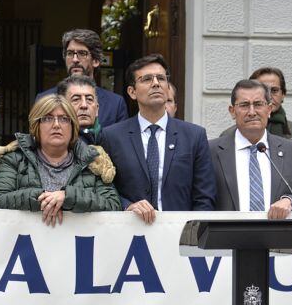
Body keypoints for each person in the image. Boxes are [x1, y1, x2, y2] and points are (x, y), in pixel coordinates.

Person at [100, 54, 216, 223]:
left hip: (180, 237)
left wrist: (191, 236)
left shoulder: (194, 136)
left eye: (161, 78)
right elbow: (104, 189)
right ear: (132, 92)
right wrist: (127, 206)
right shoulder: (112, 136)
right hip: (129, 233)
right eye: (147, 79)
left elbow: (204, 196)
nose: (156, 83)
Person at [0, 94, 120, 223]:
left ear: (73, 126)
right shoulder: (15, 159)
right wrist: (45, 198)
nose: (56, 125)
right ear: (36, 125)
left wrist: (68, 197)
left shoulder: (91, 161)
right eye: (47, 118)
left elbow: (112, 204)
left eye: (64, 119)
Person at [210, 79, 292, 217]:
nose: (252, 112)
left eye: (258, 104)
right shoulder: (211, 151)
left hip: (278, 236)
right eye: (244, 105)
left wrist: (290, 201)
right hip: (226, 236)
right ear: (232, 111)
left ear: (269, 109)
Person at [35, 29, 128, 128]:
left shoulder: (115, 104)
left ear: (96, 60)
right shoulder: (43, 99)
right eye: (70, 53)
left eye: (82, 53)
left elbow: (120, 141)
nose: (75, 60)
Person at [56, 75, 101, 145]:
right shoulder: (52, 143)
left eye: (89, 99)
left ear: (97, 109)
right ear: (62, 108)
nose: (84, 105)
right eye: (76, 99)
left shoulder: (111, 140)